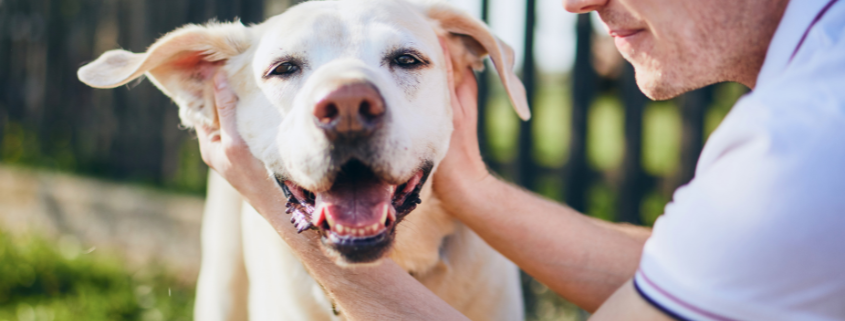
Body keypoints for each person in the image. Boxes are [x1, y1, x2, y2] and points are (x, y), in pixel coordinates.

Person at [196, 0, 845, 319]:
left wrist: (292, 224)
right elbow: (704, 269)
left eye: (406, 61)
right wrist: (472, 190)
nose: (573, 2)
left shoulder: (801, 142)